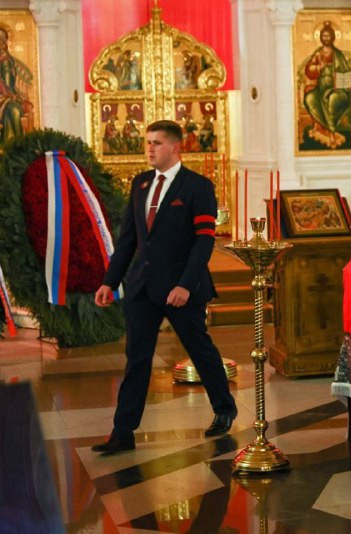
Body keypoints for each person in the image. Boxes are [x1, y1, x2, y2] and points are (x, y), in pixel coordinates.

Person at [92, 120, 237, 454]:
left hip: (181, 289)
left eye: (156, 143)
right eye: (147, 142)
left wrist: (185, 285)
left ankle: (224, 409)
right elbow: (128, 239)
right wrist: (109, 281)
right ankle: (122, 432)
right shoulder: (141, 184)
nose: (150, 149)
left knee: (200, 350)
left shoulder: (198, 186)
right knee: (137, 359)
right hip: (142, 288)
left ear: (175, 147)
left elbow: (204, 242)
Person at [301, 21, 351, 149]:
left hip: (337, 89)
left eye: (328, 36)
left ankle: (330, 131)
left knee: (333, 99)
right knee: (310, 98)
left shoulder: (338, 55)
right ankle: (325, 129)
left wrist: (348, 80)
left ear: (333, 37)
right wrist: (319, 67)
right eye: (324, 36)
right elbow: (308, 70)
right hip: (320, 89)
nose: (326, 38)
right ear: (320, 38)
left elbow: (345, 72)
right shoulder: (318, 54)